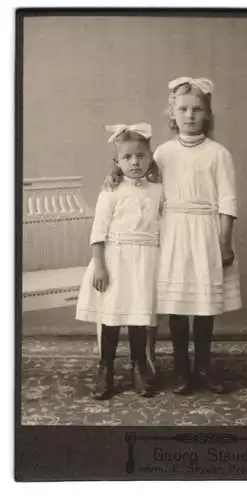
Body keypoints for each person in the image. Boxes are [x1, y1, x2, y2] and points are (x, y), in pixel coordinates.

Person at [154, 76, 242, 395]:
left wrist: (224, 241)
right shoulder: (163, 153)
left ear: (207, 113)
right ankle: (181, 369)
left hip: (206, 232)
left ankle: (203, 365)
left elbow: (228, 200)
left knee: (204, 304)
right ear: (172, 114)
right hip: (174, 232)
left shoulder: (218, 154)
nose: (189, 115)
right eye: (183, 109)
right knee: (177, 304)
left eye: (197, 109)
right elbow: (153, 197)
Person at [76, 123, 162, 400]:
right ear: (117, 162)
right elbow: (98, 232)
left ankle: (139, 368)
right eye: (127, 157)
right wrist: (99, 265)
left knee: (138, 317)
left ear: (150, 158)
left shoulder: (158, 190)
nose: (134, 162)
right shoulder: (110, 192)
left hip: (145, 260)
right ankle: (106, 369)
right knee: (111, 319)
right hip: (115, 259)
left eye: (140, 155)